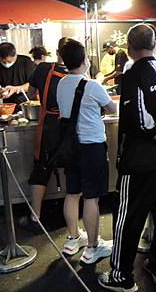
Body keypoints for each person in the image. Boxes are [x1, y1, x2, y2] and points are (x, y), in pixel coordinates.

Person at [99, 24, 156, 291]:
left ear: (129, 49)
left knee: (128, 217)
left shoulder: (133, 73)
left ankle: (121, 277)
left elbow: (138, 121)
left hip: (139, 162)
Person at [56, 39, 117, 263]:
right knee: (91, 197)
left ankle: (73, 239)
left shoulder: (61, 84)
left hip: (70, 147)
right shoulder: (92, 85)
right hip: (91, 147)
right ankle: (92, 247)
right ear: (85, 60)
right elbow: (111, 108)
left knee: (72, 193)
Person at [19, 38, 74, 234]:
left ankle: (35, 217)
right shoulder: (79, 72)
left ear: (57, 51)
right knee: (72, 169)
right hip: (71, 126)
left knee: (42, 167)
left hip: (50, 125)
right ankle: (73, 217)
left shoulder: (43, 69)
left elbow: (32, 93)